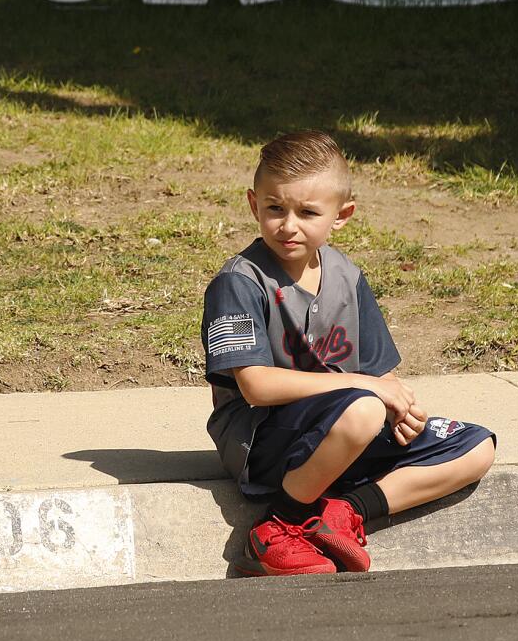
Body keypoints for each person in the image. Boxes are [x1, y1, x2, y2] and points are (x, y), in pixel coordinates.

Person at [201, 129, 496, 575]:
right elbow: (256, 386)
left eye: (308, 212)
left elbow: (381, 374)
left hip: (345, 428)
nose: (288, 225)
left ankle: (343, 513)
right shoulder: (239, 282)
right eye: (275, 208)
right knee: (362, 408)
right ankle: (279, 525)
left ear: (342, 216)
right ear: (253, 204)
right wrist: (366, 388)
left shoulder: (347, 276)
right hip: (261, 440)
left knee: (475, 447)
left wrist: (402, 409)